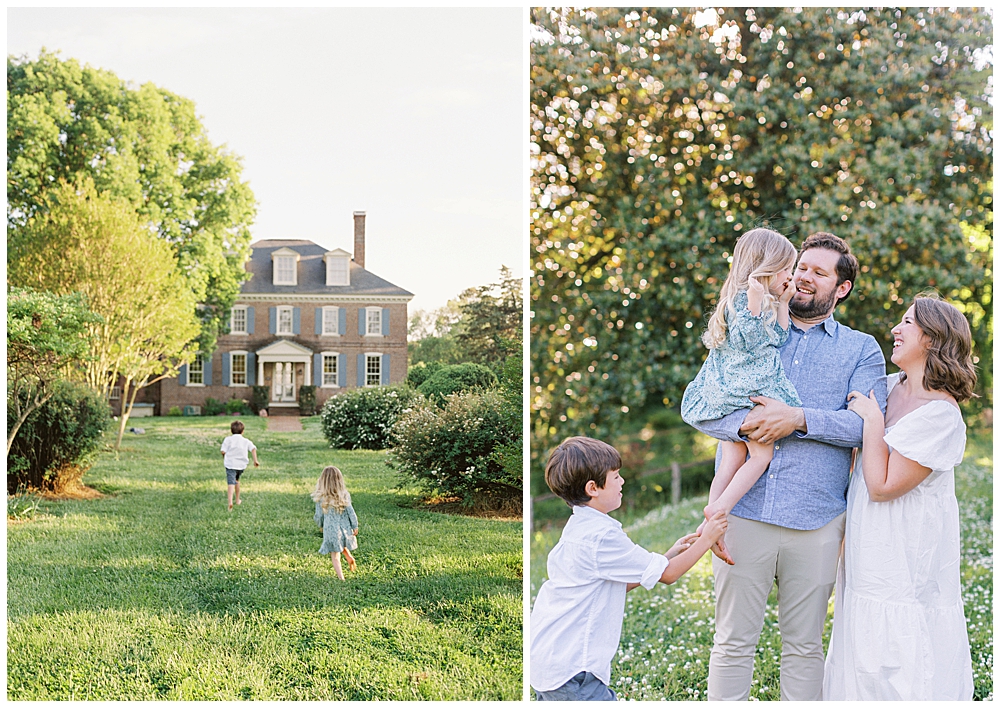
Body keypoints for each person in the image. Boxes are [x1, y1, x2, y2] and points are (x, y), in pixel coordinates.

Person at [688, 232, 887, 701]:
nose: (802, 276)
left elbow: (865, 429)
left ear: (841, 288)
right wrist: (750, 426)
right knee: (732, 643)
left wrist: (796, 419)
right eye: (800, 266)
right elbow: (703, 402)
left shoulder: (861, 350)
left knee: (804, 647)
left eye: (819, 272)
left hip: (816, 519)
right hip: (743, 515)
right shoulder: (747, 325)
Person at [824, 295, 976, 700]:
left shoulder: (941, 416)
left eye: (907, 322)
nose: (895, 329)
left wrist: (872, 421)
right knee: (860, 654)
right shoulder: (889, 388)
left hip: (904, 560)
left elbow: (883, 485)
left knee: (902, 663)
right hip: (864, 547)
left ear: (932, 338)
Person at [529, 436, 728, 701]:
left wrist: (667, 555)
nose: (622, 481)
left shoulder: (579, 528)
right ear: (593, 488)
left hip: (550, 661)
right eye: (616, 476)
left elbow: (613, 585)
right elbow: (669, 576)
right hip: (574, 671)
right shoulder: (601, 536)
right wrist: (706, 539)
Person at [681, 228, 800, 527]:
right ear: (765, 267)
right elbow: (748, 339)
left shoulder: (764, 302)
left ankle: (712, 511)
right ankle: (720, 510)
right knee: (761, 457)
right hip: (745, 391)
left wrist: (783, 303)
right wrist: (756, 302)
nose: (790, 274)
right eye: (785, 268)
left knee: (733, 457)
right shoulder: (744, 300)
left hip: (741, 390)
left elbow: (779, 338)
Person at [311, 465, 359, 581]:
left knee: (335, 555)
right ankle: (349, 557)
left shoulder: (321, 498)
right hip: (344, 529)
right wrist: (355, 525)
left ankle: (341, 578)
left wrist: (320, 525)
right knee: (340, 543)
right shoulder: (344, 495)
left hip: (330, 530)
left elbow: (319, 516)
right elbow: (351, 512)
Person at [220, 420, 259, 511]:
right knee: (236, 480)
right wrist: (255, 461)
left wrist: (224, 456)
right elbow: (253, 449)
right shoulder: (245, 441)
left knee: (231, 483)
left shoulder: (228, 439)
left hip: (230, 465)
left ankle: (230, 502)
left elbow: (223, 451)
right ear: (243, 431)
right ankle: (237, 500)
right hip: (241, 465)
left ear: (231, 430)